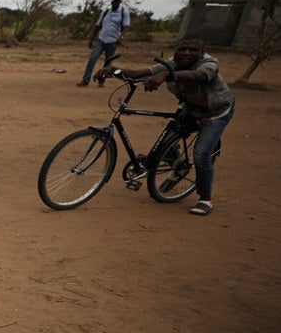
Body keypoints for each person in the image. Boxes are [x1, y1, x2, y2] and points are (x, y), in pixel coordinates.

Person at [97, 37, 234, 216]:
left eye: (193, 50)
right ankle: (175, 161)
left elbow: (197, 76)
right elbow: (139, 73)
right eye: (182, 49)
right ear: (175, 50)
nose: (186, 53)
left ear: (202, 53)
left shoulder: (209, 64)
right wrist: (113, 70)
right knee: (170, 135)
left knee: (201, 155)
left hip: (216, 112)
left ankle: (205, 198)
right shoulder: (171, 63)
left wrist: (167, 75)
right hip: (191, 107)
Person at [79, 0, 130, 87]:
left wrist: (121, 37)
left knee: (108, 62)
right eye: (115, 1)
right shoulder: (106, 12)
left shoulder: (123, 12)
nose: (116, 3)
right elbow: (98, 26)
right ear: (111, 2)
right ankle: (85, 80)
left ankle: (101, 80)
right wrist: (91, 39)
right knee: (92, 58)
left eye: (118, 2)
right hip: (101, 39)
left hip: (113, 41)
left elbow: (126, 26)